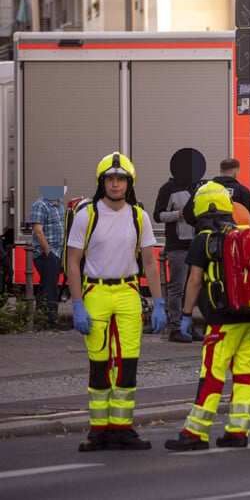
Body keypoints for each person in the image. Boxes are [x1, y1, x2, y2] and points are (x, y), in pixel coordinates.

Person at [67, 152, 166, 451]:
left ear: (129, 183)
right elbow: (72, 262)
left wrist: (158, 302)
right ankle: (99, 431)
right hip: (95, 293)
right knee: (99, 363)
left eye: (120, 179)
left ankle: (122, 429)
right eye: (109, 179)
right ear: (102, 182)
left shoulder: (139, 216)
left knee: (127, 363)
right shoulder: (87, 215)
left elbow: (150, 262)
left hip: (127, 293)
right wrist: (77, 304)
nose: (114, 184)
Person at [164, 182, 250, 451]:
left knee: (212, 374)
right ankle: (237, 431)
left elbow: (194, 281)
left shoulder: (202, 240)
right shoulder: (243, 234)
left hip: (221, 319)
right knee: (244, 374)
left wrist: (185, 315)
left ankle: (196, 433)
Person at [153, 148, 205, 343]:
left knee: (194, 287)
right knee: (177, 288)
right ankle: (176, 328)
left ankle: (188, 327)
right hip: (177, 246)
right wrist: (179, 215)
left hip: (196, 244)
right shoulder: (168, 189)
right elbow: (157, 215)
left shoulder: (199, 187)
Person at [29, 184, 66, 329]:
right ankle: (52, 322)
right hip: (46, 254)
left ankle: (40, 319)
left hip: (57, 252)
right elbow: (38, 231)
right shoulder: (40, 205)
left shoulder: (59, 204)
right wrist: (48, 252)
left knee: (45, 286)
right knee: (51, 289)